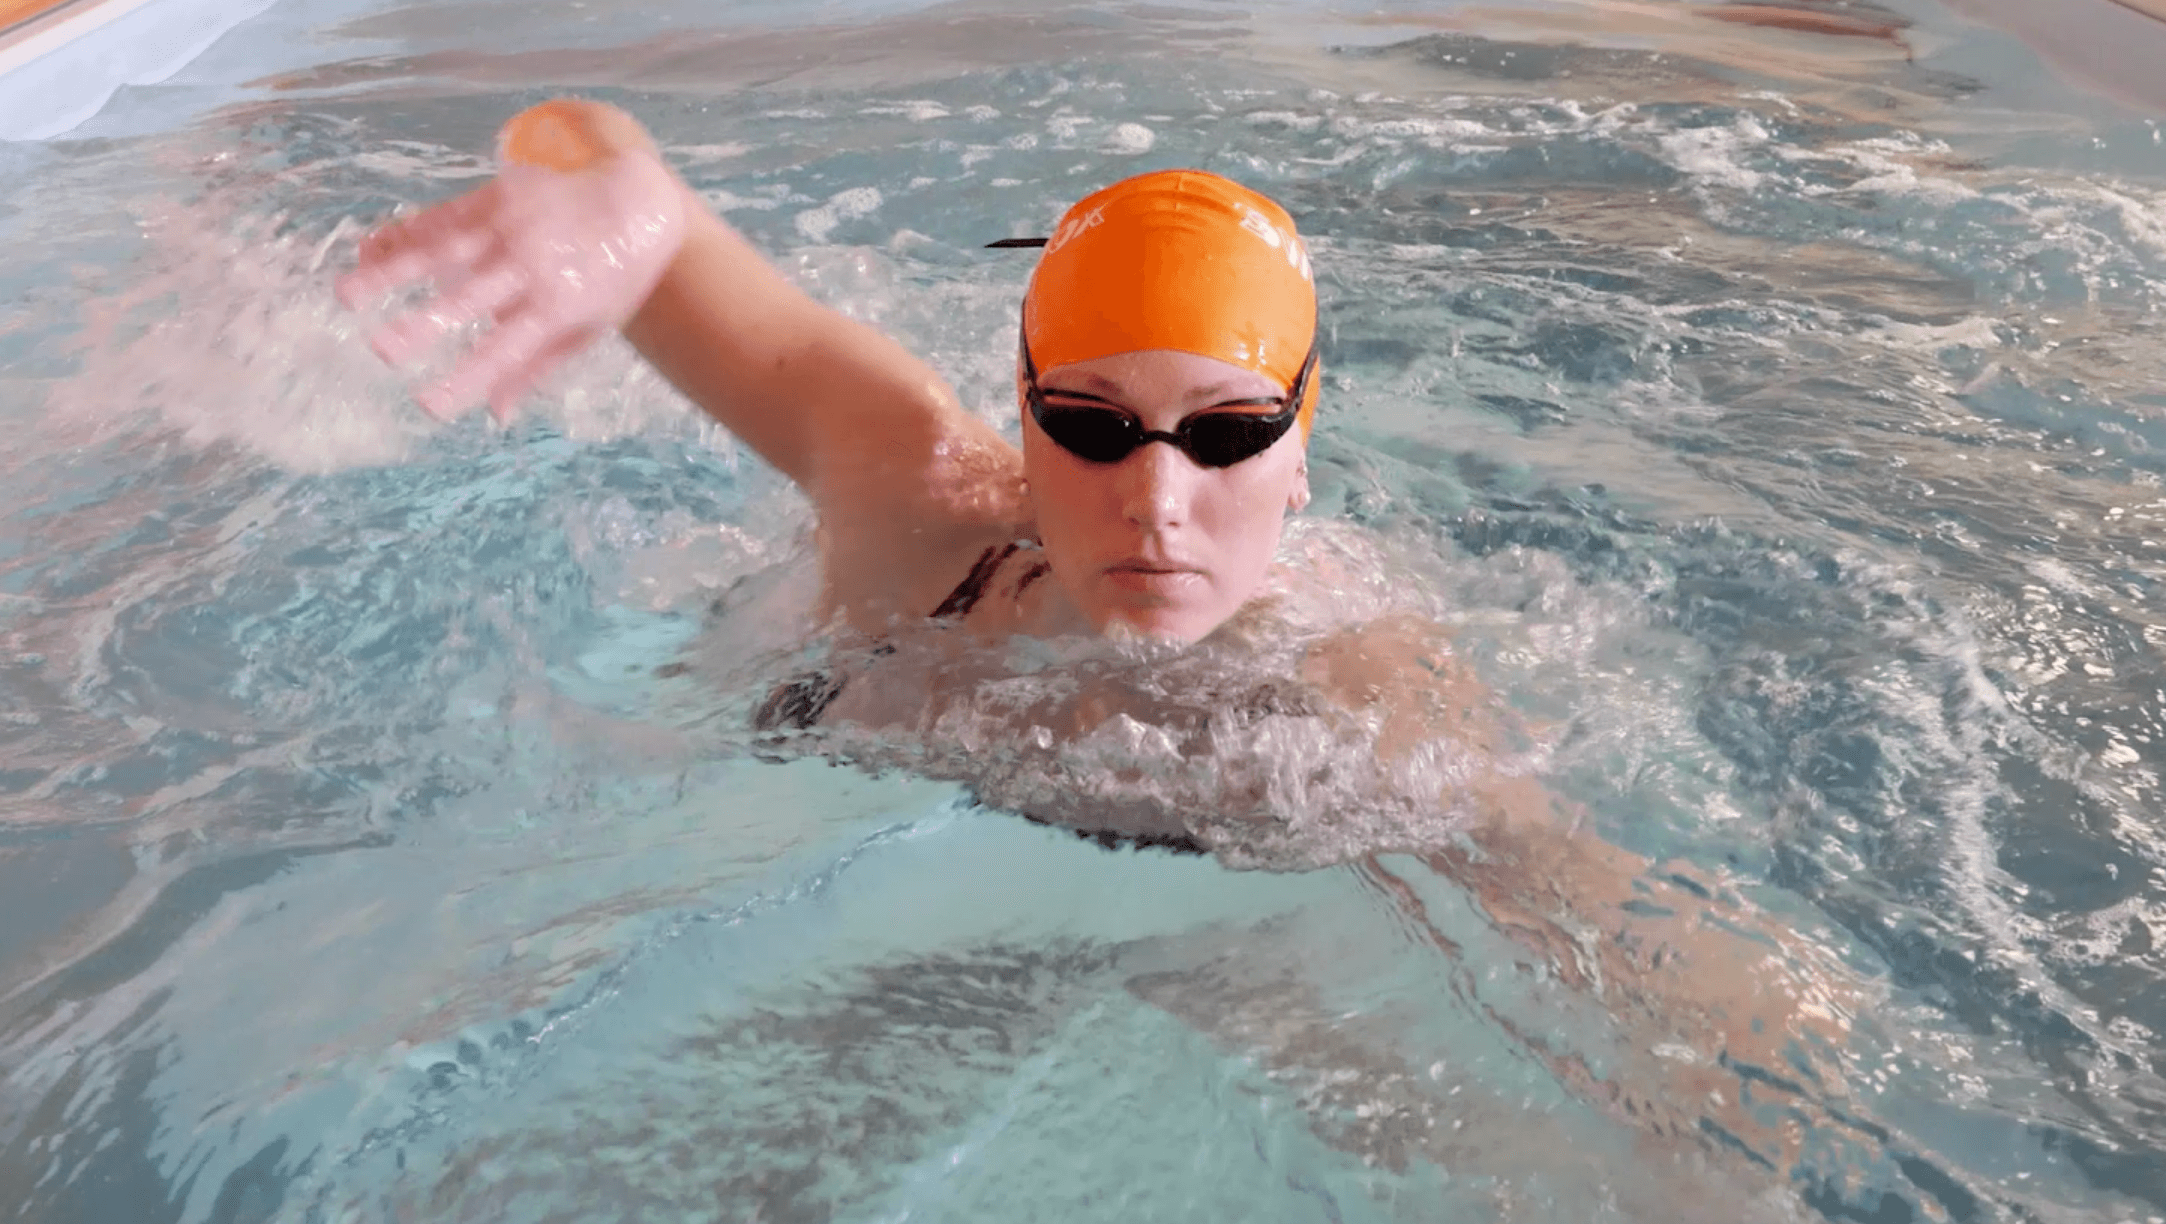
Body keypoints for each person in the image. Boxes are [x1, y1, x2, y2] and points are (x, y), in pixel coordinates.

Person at [339, 98, 1863, 1175]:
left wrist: (1767, 1069)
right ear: (1023, 415)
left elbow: (1586, 897)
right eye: (1089, 423)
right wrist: (582, 173)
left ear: (1304, 453)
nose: (1156, 498)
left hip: (1189, 951)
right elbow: (620, 178)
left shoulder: (1360, 687)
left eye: (1226, 433)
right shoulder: (912, 493)